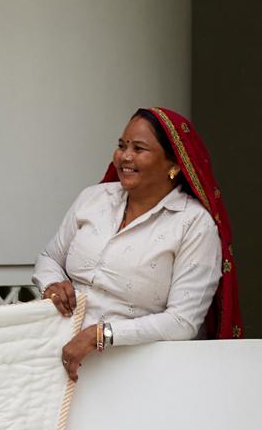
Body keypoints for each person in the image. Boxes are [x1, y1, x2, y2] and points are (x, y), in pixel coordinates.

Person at [37, 106, 240, 380]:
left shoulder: (193, 224)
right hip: (58, 358)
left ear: (174, 164)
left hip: (143, 372)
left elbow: (183, 321)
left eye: (139, 148)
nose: (125, 156)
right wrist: (51, 283)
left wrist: (102, 334)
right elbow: (50, 257)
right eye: (122, 145)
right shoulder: (93, 198)